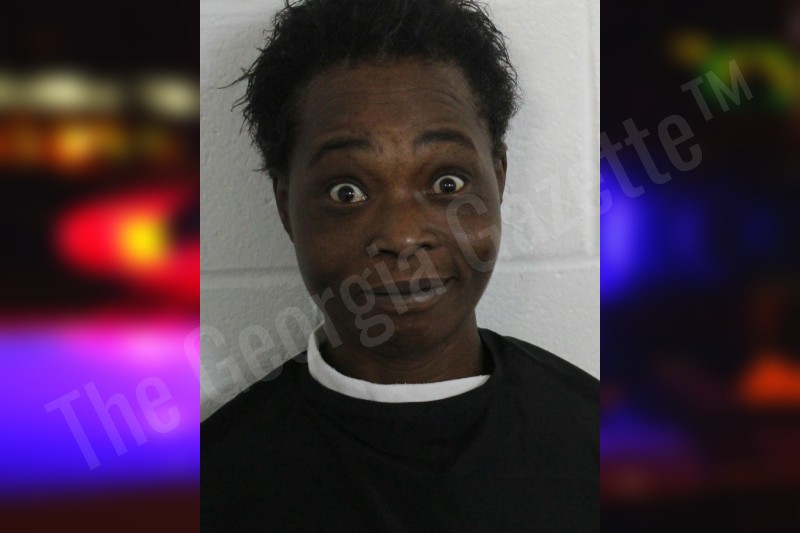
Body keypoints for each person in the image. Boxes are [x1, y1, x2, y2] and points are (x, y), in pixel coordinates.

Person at [201, 0, 598, 530]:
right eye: (347, 191)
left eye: (447, 183)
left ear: (498, 179)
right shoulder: (215, 483)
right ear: (285, 205)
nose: (402, 236)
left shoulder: (601, 442)